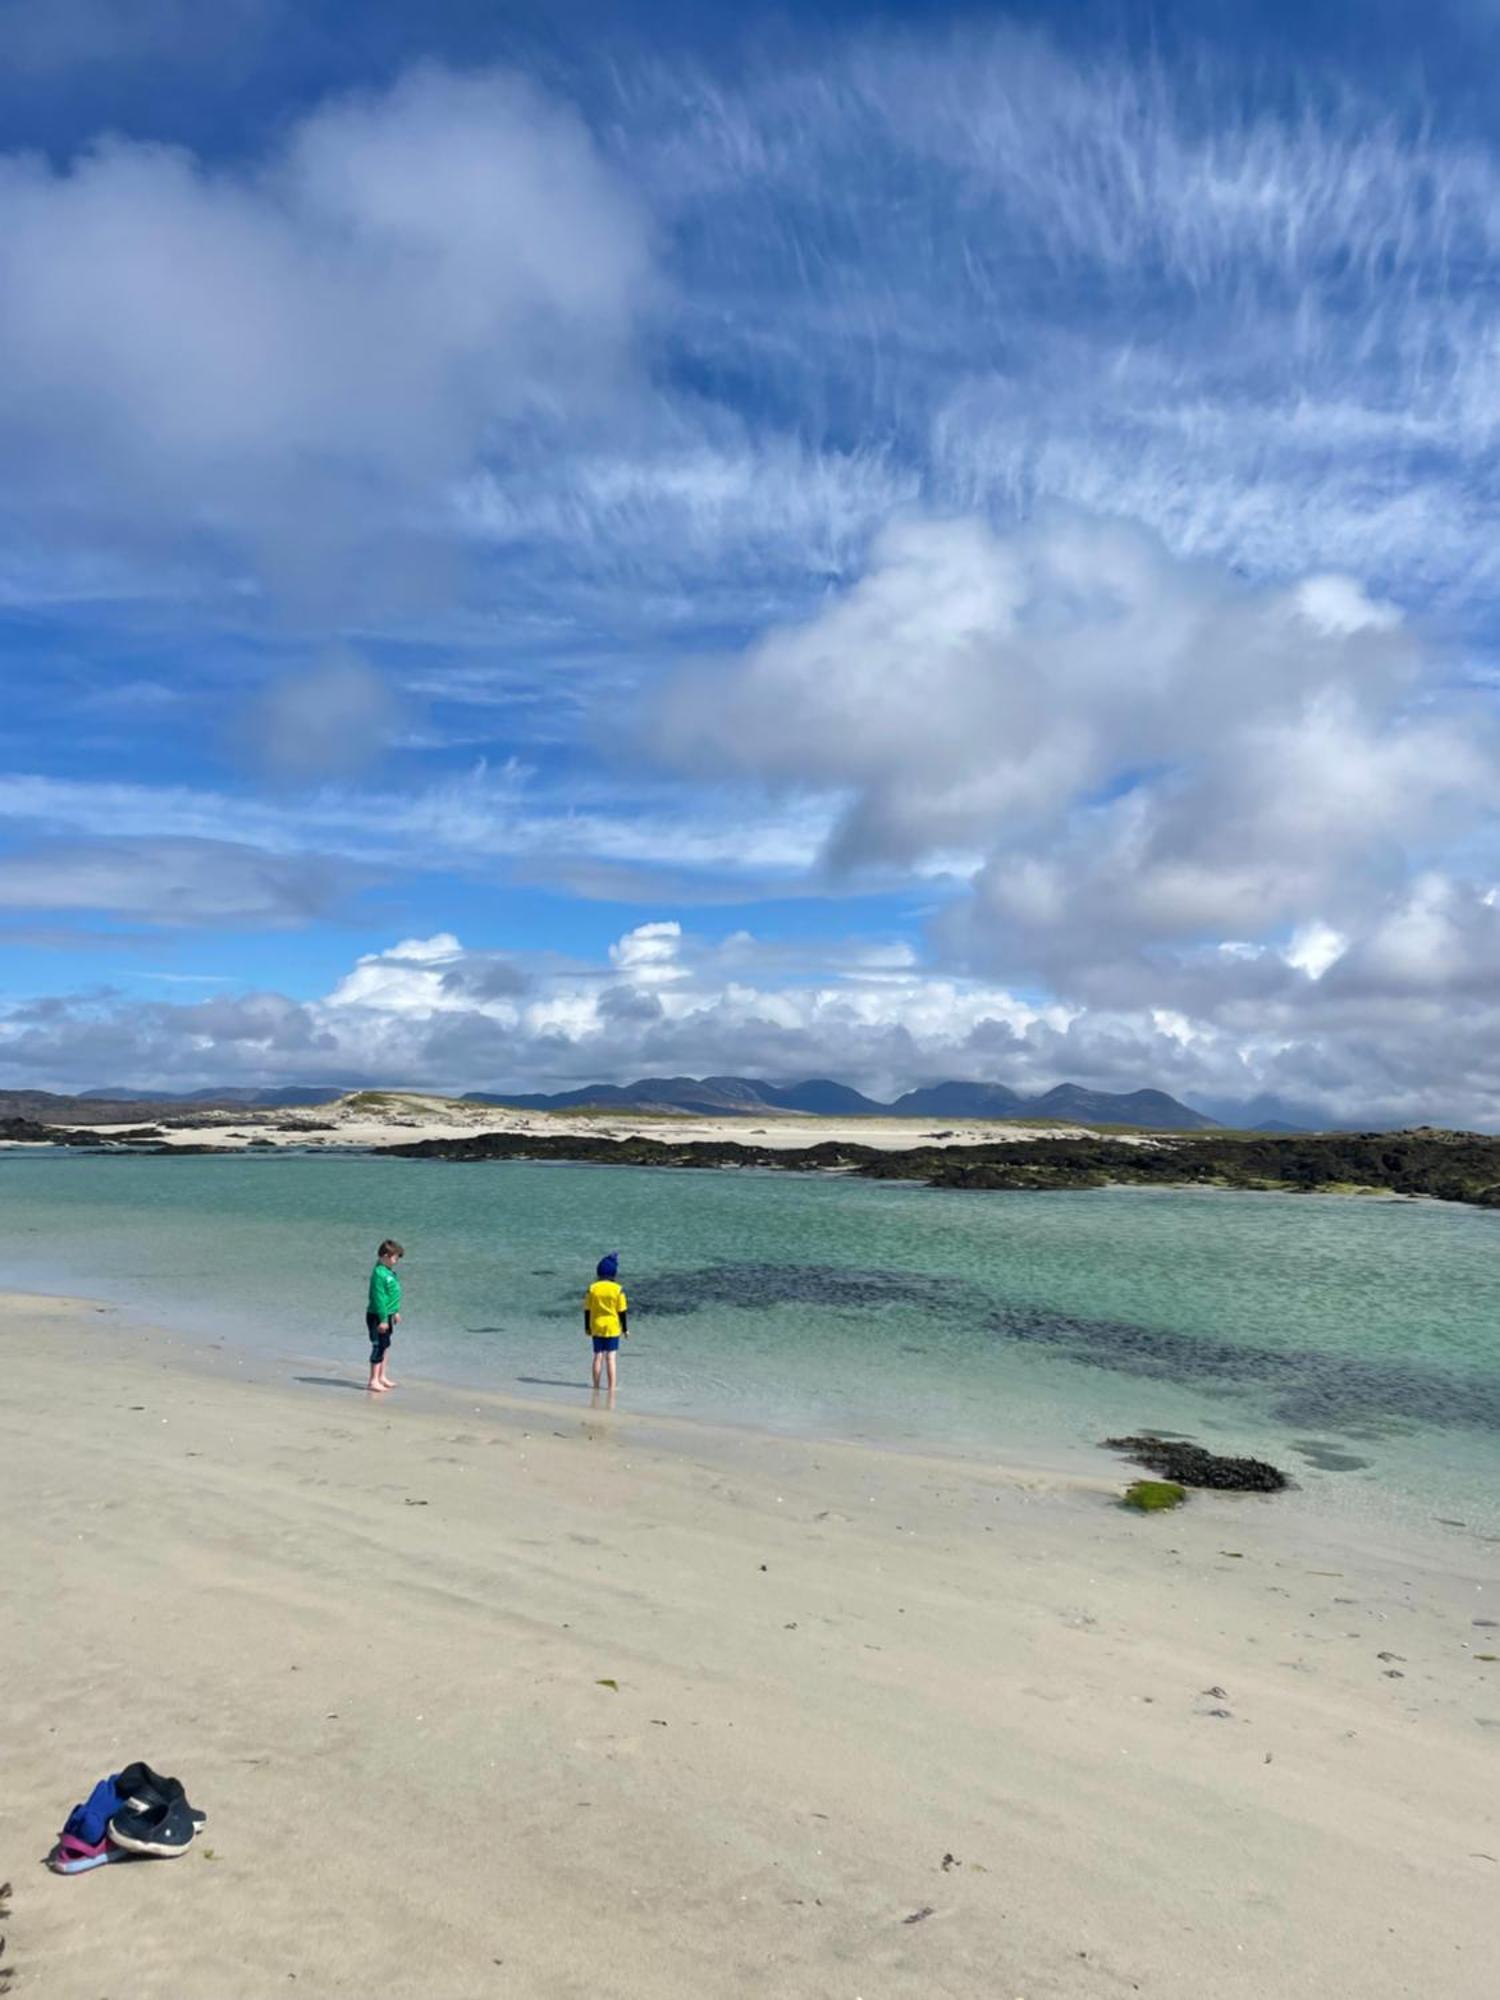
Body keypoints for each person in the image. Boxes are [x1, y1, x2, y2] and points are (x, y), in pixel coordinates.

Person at [584, 1252, 628, 1395]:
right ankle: (611, 1388)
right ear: (614, 1273)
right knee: (611, 1358)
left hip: (596, 1325)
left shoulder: (592, 1288)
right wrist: (625, 1329)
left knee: (598, 1356)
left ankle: (596, 1386)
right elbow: (622, 1311)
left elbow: (587, 1310)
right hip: (612, 1327)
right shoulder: (618, 1289)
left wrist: (587, 1327)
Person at [366, 1238, 404, 1393]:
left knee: (386, 1344)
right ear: (386, 1256)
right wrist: (382, 1319)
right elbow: (379, 1298)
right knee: (378, 1346)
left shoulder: (389, 1272)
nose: (396, 1261)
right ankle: (373, 1380)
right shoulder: (378, 1273)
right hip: (377, 1316)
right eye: (395, 1258)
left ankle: (382, 1376)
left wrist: (395, 1311)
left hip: (388, 1314)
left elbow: (392, 1295)